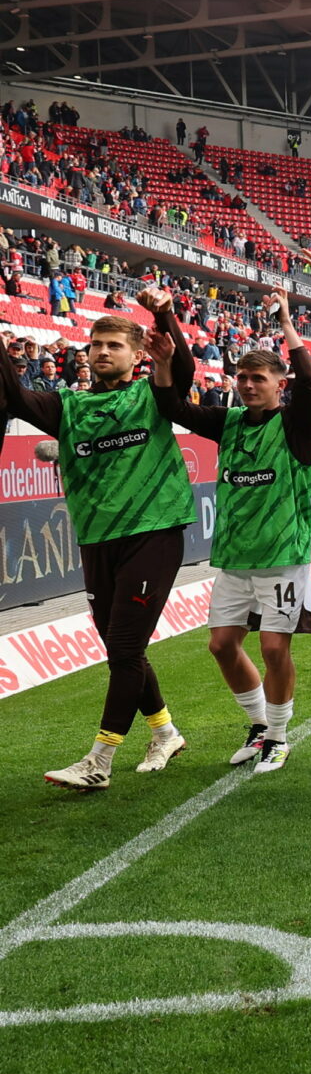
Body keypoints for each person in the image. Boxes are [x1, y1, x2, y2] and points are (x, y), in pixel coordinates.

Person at [4, 293, 199, 789]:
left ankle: (99, 761)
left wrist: (163, 317)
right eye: (95, 345)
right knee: (120, 649)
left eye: (114, 345)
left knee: (126, 643)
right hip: (95, 537)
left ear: (137, 355)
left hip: (152, 531)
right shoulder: (66, 404)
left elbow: (184, 371)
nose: (102, 351)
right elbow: (17, 398)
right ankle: (165, 732)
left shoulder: (151, 395)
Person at [153, 291, 311, 775]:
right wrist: (165, 357)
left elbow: (310, 383)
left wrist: (287, 323)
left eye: (258, 378)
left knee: (273, 647)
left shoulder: (296, 424)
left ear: (278, 384)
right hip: (234, 559)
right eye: (242, 377)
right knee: (222, 645)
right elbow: (172, 406)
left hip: (283, 558)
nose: (248, 385)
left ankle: (280, 737)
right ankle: (258, 727)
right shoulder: (227, 423)